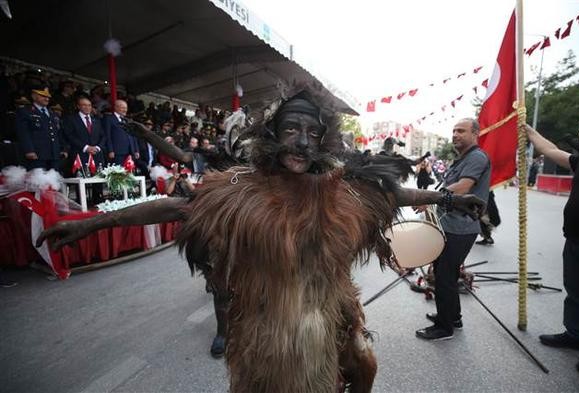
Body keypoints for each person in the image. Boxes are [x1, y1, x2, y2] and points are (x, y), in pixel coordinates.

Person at [37, 90, 484, 392]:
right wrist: (88, 225)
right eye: (292, 130)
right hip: (262, 335)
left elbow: (392, 193)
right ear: (273, 134)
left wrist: (446, 197)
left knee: (362, 367)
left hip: (326, 324)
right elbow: (175, 207)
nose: (302, 142)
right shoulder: (239, 188)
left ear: (324, 140)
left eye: (312, 134)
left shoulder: (340, 188)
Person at [414, 118, 491, 341]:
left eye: (461, 131)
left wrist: (429, 198)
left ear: (475, 133)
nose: (455, 135)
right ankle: (453, 317)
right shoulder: (463, 158)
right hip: (450, 225)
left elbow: (464, 186)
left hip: (460, 227)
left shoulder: (477, 157)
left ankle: (444, 327)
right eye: (454, 131)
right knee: (444, 272)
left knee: (444, 276)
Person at [526, 118, 579, 376]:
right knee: (577, 292)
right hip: (575, 240)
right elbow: (552, 151)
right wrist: (530, 132)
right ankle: (576, 335)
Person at [15, 86, 68, 171]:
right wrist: (29, 150)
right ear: (33, 96)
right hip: (37, 154)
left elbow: (58, 133)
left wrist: (63, 148)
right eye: (43, 96)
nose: (47, 98)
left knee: (53, 181)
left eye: (48, 97)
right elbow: (23, 133)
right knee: (38, 182)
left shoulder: (52, 113)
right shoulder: (25, 111)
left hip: (54, 154)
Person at [103, 99, 139, 165]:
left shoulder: (128, 120)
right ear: (116, 107)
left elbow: (133, 136)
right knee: (118, 173)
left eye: (126, 108)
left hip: (130, 152)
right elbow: (107, 135)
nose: (125, 110)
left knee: (129, 173)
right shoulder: (109, 119)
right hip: (117, 152)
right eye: (123, 108)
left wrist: (136, 150)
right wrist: (110, 150)